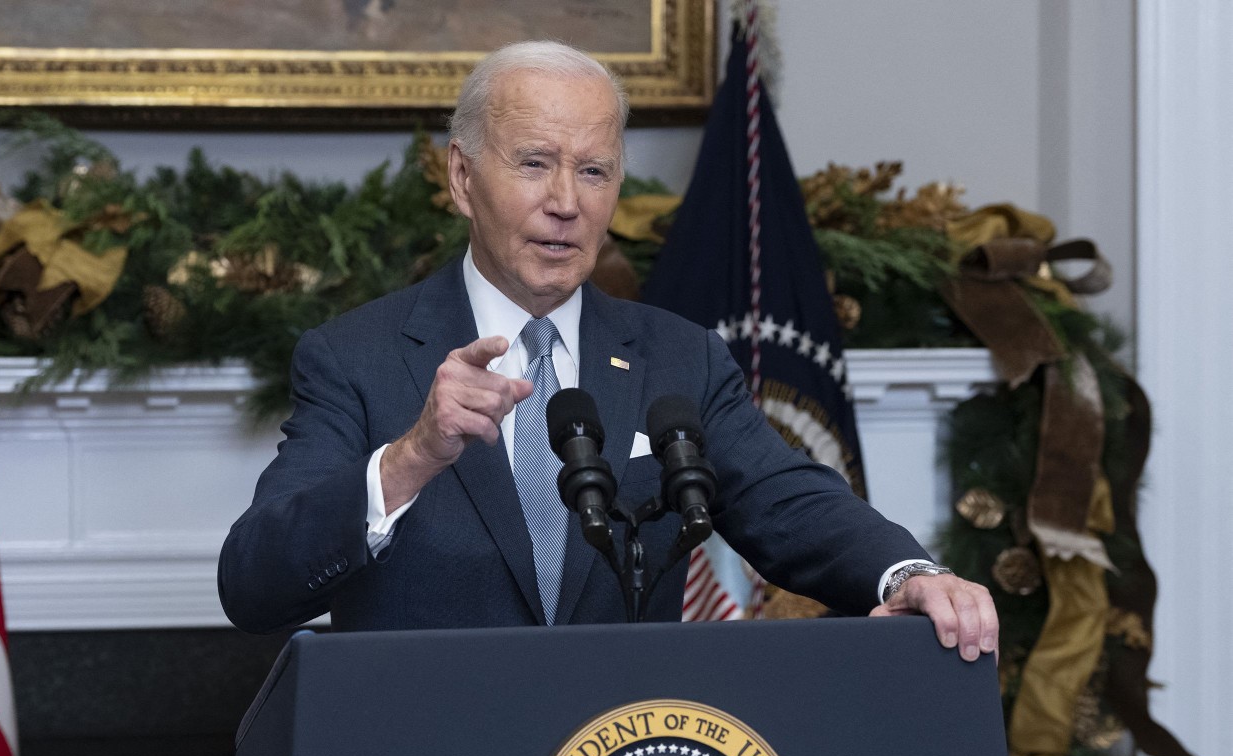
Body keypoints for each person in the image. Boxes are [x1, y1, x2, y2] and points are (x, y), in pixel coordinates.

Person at [219, 41, 998, 662]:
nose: (566, 202)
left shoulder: (677, 358)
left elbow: (790, 500)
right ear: (462, 177)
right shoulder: (355, 356)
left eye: (593, 171)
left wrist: (914, 575)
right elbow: (254, 586)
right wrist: (412, 458)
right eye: (534, 163)